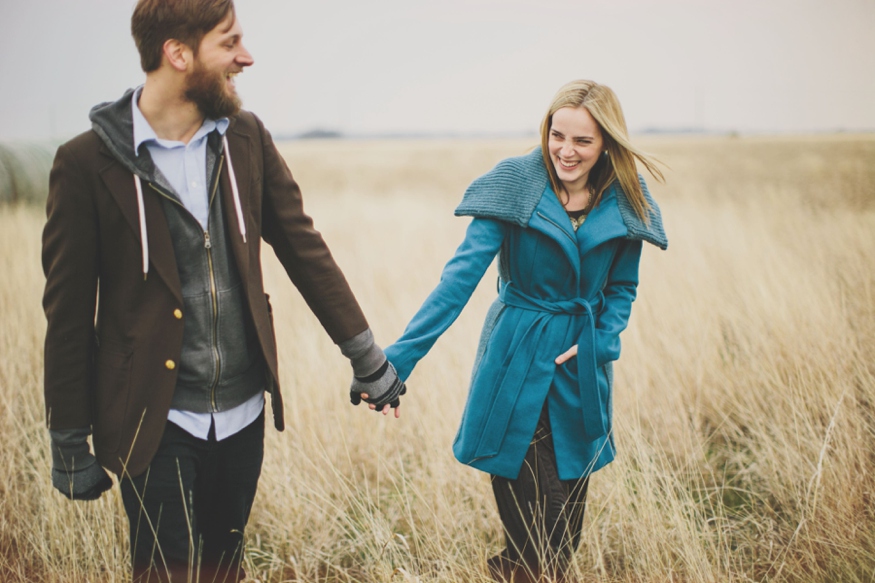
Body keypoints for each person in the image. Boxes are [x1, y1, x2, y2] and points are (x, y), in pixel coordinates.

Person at [41, 1, 405, 581]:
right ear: (178, 54)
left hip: (243, 413)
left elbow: (304, 250)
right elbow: (66, 313)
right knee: (166, 572)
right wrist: (67, 438)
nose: (247, 57)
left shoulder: (246, 138)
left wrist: (367, 358)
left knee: (224, 569)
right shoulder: (86, 164)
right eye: (229, 43)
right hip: (151, 416)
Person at [381, 80, 667, 582]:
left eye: (583, 141)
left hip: (580, 373)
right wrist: (396, 361)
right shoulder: (516, 183)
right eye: (558, 135)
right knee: (544, 536)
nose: (566, 150)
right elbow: (458, 281)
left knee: (564, 535)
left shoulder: (626, 199)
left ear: (606, 144)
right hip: (515, 362)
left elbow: (622, 287)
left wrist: (599, 342)